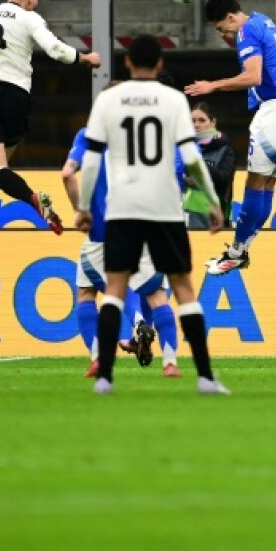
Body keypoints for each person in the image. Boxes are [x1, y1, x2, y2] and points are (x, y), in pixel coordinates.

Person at [75, 34, 228, 395]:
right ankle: (205, 377)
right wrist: (212, 200)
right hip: (163, 208)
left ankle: (105, 379)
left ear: (127, 63)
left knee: (113, 289)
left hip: (122, 208)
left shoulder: (108, 101)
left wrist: (83, 207)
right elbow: (191, 157)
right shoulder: (174, 100)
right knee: (183, 289)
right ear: (160, 64)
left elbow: (92, 159)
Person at [0, 0, 103, 268]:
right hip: (16, 96)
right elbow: (55, 49)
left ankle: (33, 200)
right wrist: (85, 59)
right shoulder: (30, 18)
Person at [63, 83, 182, 380]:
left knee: (88, 293)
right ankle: (170, 363)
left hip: (105, 229)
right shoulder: (150, 135)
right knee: (157, 294)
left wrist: (81, 209)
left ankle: (99, 357)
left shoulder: (89, 134)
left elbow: (67, 174)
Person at [187, 0, 276, 275]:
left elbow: (253, 76)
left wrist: (211, 86)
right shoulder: (262, 21)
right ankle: (241, 250)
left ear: (230, 17)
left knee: (253, 184)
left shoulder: (245, 32)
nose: (221, 34)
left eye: (220, 28)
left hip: (274, 113)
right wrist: (234, 41)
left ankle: (237, 252)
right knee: (267, 185)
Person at [184, 102, 238, 229]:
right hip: (181, 217)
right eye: (192, 121)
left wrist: (199, 164)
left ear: (213, 122)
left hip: (211, 220)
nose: (196, 125)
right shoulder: (182, 147)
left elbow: (223, 179)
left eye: (202, 120)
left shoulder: (226, 150)